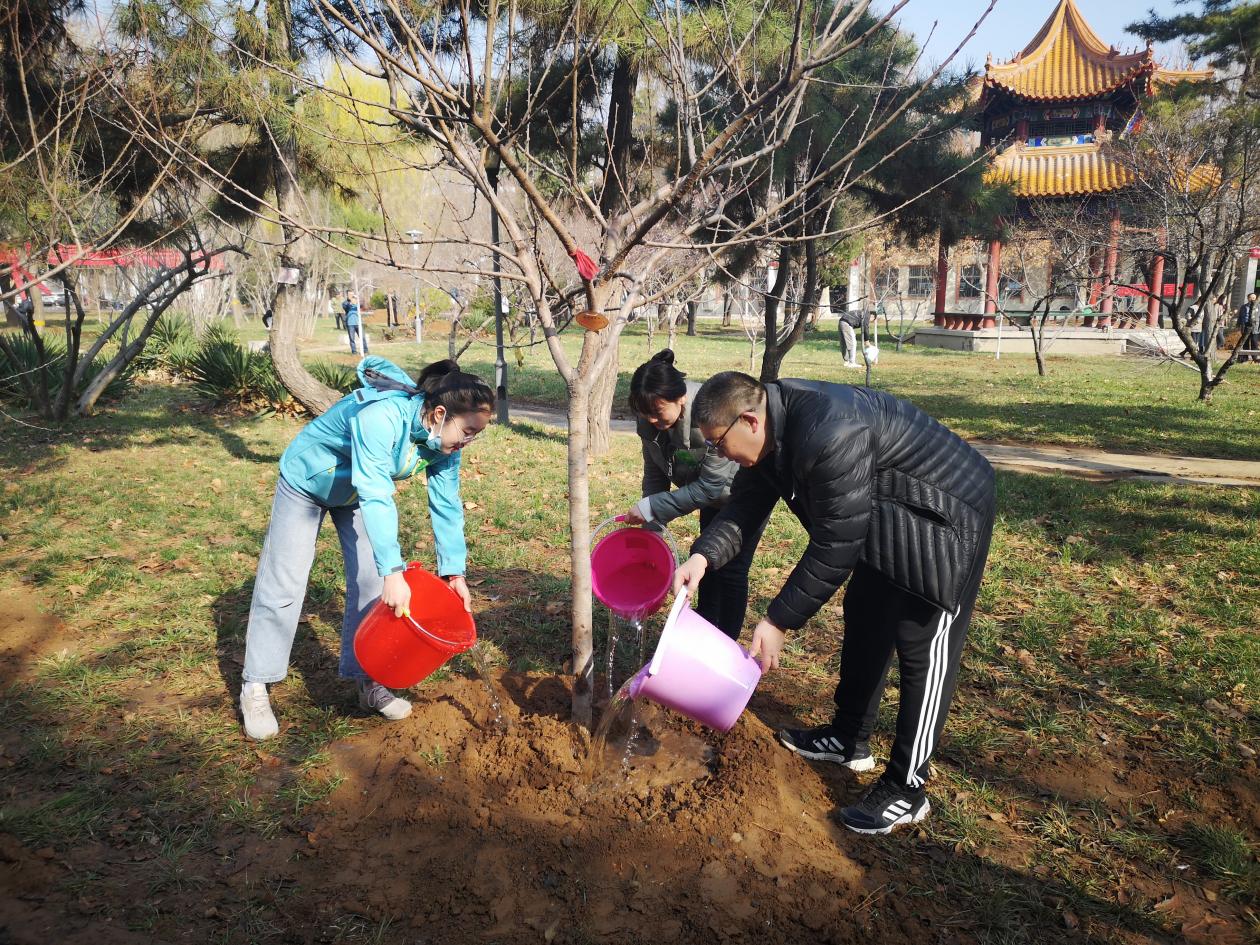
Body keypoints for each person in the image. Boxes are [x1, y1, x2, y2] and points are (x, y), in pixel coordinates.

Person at [673, 372, 995, 835]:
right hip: (888, 507)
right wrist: (703, 556)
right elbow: (743, 509)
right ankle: (849, 737)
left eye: (717, 443)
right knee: (866, 613)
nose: (718, 454)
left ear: (749, 420)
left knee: (921, 642)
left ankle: (907, 788)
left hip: (945, 511)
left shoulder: (830, 432)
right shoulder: (772, 433)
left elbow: (835, 543)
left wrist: (778, 620)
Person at [238, 357, 493, 740]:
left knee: (373, 585)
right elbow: (376, 492)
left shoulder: (443, 444)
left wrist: (453, 572)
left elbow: (446, 504)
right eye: (468, 431)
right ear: (440, 413)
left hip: (355, 493)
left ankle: (368, 682)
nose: (467, 442)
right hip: (308, 481)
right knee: (285, 582)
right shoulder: (382, 417)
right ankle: (256, 684)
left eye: (476, 435)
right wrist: (394, 570)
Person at [624, 350, 764, 639]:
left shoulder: (709, 418)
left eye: (657, 411)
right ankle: (706, 629)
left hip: (745, 495)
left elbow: (711, 486)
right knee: (705, 560)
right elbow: (656, 474)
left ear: (681, 398)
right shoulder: (649, 424)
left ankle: (726, 642)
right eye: (645, 413)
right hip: (711, 499)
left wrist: (651, 507)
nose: (651, 419)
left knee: (732, 571)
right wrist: (652, 533)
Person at [1238, 293, 1257, 361]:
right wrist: (1239, 325)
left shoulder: (1258, 306)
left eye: (1254, 298)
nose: (1252, 299)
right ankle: (1245, 357)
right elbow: (1240, 316)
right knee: (1245, 342)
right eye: (1251, 298)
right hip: (1245, 326)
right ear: (1248, 298)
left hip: (1254, 327)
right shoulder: (1243, 307)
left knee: (1254, 342)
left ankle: (1254, 357)